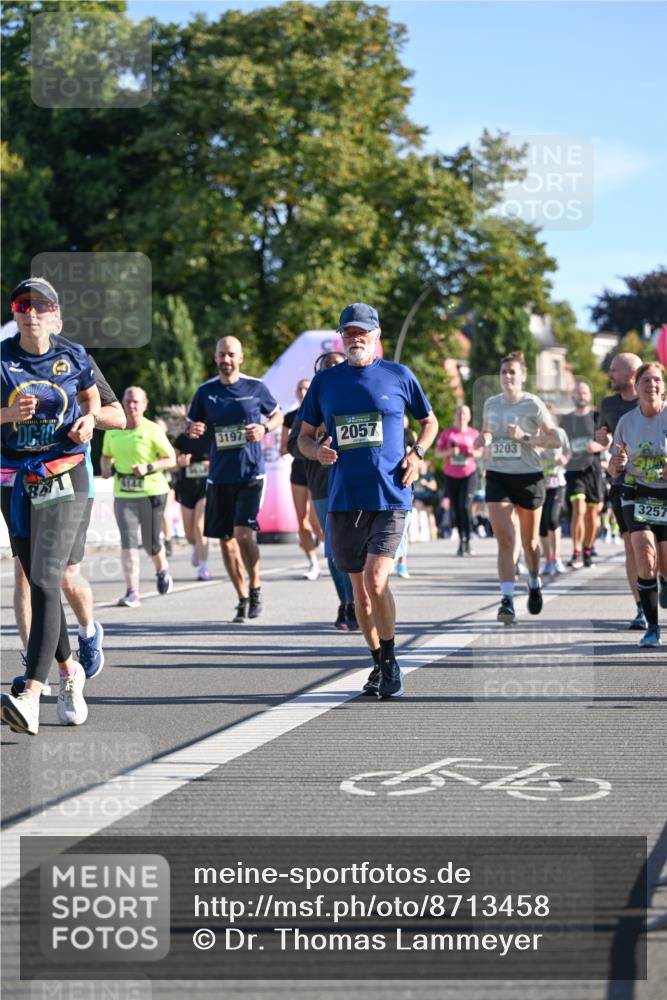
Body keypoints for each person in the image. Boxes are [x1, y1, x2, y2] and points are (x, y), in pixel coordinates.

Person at [298, 302, 438, 699]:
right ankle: (377, 660)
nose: (355, 338)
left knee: (377, 581)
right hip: (345, 499)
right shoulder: (326, 383)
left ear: (376, 336)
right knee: (359, 593)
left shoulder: (399, 375)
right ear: (341, 338)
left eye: (362, 332)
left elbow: (429, 422)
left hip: (391, 494)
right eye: (348, 332)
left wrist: (417, 454)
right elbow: (303, 437)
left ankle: (391, 661)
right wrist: (317, 451)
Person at [0, 277, 101, 735]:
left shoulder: (74, 355)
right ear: (15, 314)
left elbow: (93, 399)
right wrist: (8, 414)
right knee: (36, 579)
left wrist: (89, 419)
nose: (31, 313)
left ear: (55, 315)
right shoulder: (2, 358)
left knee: (44, 577)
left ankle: (30, 694)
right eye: (22, 306)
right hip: (14, 479)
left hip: (64, 473)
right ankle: (69, 671)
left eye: (40, 306)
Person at [4, 349, 126, 695]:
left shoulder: (74, 360)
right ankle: (36, 666)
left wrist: (90, 419)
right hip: (23, 479)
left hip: (69, 479)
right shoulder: (8, 365)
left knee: (64, 575)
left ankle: (88, 630)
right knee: (27, 572)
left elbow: (118, 417)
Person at [188, 336, 283, 622]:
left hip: (251, 473)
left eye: (231, 354)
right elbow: (194, 424)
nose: (226, 360)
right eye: (221, 355)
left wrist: (264, 429)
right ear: (215, 357)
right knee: (226, 541)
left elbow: (278, 415)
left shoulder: (256, 387)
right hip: (219, 476)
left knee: (243, 534)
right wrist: (194, 430)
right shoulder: (206, 391)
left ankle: (255, 587)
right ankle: (242, 597)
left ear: (240, 357)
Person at [475, 351, 559, 625]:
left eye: (512, 372)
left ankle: (533, 581)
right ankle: (507, 600)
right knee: (505, 540)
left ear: (523, 375)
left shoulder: (533, 404)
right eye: (504, 372)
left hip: (529, 477)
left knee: (530, 542)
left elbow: (555, 439)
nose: (508, 376)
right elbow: (487, 431)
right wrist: (484, 438)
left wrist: (524, 437)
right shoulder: (491, 404)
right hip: (498, 475)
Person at [595, 352, 667, 628]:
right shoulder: (616, 411)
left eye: (656, 380)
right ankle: (644, 613)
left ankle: (661, 581)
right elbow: (609, 450)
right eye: (646, 381)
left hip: (664, 492)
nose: (610, 374)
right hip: (631, 489)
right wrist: (612, 456)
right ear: (637, 385)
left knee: (662, 558)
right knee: (638, 549)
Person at [290, 351, 358, 630]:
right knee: (333, 549)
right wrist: (317, 445)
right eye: (327, 367)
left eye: (338, 365)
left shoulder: (359, 395)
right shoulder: (313, 402)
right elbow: (293, 444)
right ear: (319, 373)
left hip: (358, 482)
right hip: (323, 485)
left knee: (359, 547)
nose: (333, 370)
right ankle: (346, 603)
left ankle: (361, 602)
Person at [100, 386, 176, 607]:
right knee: (128, 542)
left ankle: (162, 569)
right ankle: (132, 591)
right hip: (123, 493)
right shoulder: (113, 430)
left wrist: (148, 467)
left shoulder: (152, 430)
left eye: (136, 402)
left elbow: (170, 459)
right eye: (128, 401)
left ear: (144, 405)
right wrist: (105, 468)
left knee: (151, 543)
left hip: (152, 492)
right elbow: (106, 456)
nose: (131, 405)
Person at [560, 381, 605, 568]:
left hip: (593, 470)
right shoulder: (566, 419)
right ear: (573, 396)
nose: (581, 396)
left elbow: (609, 439)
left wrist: (599, 446)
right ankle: (576, 551)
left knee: (592, 514)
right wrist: (562, 456)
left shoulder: (597, 417)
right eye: (578, 393)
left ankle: (588, 549)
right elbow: (562, 443)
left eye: (584, 393)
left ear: (589, 396)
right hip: (574, 470)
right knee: (578, 508)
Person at [281, 378, 322, 580]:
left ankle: (334, 552)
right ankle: (313, 562)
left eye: (307, 388)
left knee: (316, 520)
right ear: (297, 393)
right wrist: (301, 442)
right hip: (298, 470)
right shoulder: (290, 417)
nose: (304, 391)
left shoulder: (321, 412)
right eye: (300, 388)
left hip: (317, 469)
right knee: (301, 519)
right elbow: (283, 448)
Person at [435, 403, 482, 556]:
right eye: (459, 413)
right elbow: (437, 453)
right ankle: (462, 541)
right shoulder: (448, 433)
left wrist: (472, 452)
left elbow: (481, 452)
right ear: (455, 416)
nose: (461, 416)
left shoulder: (474, 434)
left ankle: (467, 540)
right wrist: (450, 451)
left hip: (469, 474)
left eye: (464, 413)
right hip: (451, 475)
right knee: (456, 508)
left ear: (469, 417)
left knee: (465, 506)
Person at [172, 414, 212, 580]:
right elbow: (171, 464)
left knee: (199, 526)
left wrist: (209, 464)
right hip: (186, 488)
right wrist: (180, 463)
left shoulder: (211, 437)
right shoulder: (181, 440)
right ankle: (197, 546)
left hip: (206, 487)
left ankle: (203, 568)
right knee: (189, 535)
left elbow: (221, 459)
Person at [538, 403, 570, 575]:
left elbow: (568, 452)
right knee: (542, 525)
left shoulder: (559, 433)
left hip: (557, 483)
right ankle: (548, 560)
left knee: (552, 518)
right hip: (539, 484)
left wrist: (564, 459)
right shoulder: (534, 435)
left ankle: (556, 557)